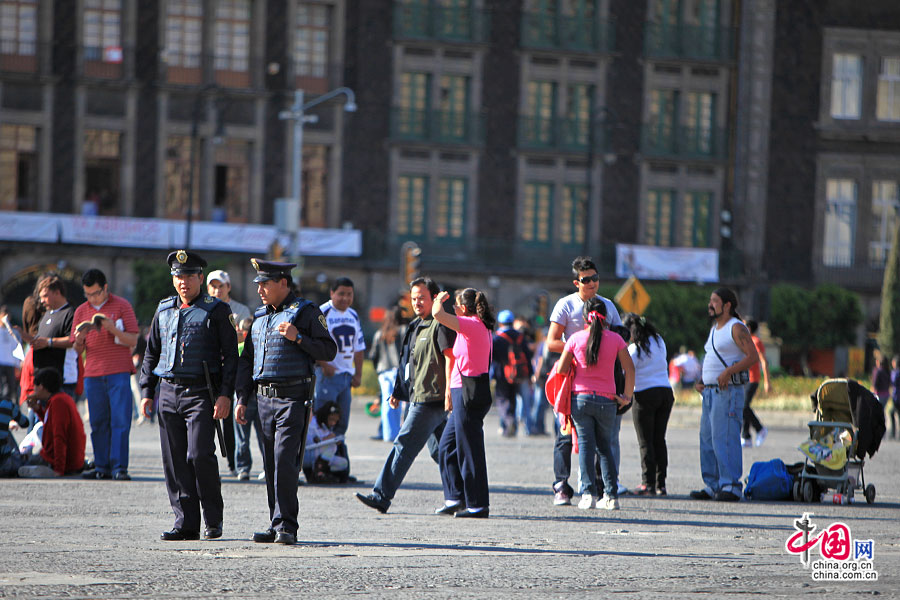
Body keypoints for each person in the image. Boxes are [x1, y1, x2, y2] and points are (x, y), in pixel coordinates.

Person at [235, 259, 337, 546]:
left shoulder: (305, 312)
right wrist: (242, 397)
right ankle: (275, 521)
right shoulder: (259, 316)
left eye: (265, 284)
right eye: (258, 284)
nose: (260, 290)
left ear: (283, 283)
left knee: (284, 461)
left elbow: (328, 350)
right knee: (270, 463)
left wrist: (299, 338)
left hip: (293, 398)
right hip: (263, 399)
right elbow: (247, 361)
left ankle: (287, 526)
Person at [139, 250, 238, 541]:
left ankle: (212, 519)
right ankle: (185, 522)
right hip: (168, 391)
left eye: (188, 276)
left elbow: (231, 357)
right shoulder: (164, 309)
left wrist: (225, 396)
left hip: (200, 393)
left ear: (199, 278)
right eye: (178, 277)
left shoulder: (216, 310)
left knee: (199, 455)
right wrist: (147, 391)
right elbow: (151, 353)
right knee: (174, 461)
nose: (183, 282)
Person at [356, 277, 455, 514]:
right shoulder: (414, 326)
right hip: (416, 395)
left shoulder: (439, 324)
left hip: (432, 398)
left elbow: (450, 357)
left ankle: (381, 495)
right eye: (414, 298)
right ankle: (462, 494)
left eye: (422, 297)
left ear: (434, 298)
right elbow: (408, 364)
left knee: (404, 444)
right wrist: (399, 391)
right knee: (440, 451)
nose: (417, 302)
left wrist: (450, 391)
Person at [546, 256, 623, 506]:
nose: (592, 284)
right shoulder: (565, 305)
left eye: (595, 278)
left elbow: (619, 338)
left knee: (603, 438)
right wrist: (578, 350)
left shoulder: (608, 306)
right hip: (572, 376)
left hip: (601, 379)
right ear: (576, 282)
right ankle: (562, 484)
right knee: (566, 434)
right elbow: (551, 341)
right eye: (586, 280)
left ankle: (602, 487)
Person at [557, 298, 633, 510]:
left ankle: (588, 495)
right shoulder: (616, 340)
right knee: (605, 449)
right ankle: (610, 496)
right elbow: (630, 369)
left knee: (586, 447)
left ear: (584, 317)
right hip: (607, 400)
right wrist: (626, 396)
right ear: (607, 318)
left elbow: (562, 369)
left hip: (580, 399)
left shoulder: (575, 339)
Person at [690, 287, 759, 502]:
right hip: (710, 393)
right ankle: (713, 485)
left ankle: (731, 485)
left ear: (727, 305)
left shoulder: (736, 328)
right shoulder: (714, 329)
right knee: (708, 439)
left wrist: (729, 371)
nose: (710, 305)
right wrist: (703, 380)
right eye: (710, 301)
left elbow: (753, 356)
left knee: (725, 438)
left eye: (715, 301)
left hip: (727, 393)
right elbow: (713, 356)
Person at [431, 287, 495, 518]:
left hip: (468, 392)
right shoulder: (474, 326)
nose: (454, 310)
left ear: (465, 308)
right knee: (447, 447)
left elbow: (437, 313)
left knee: (470, 450)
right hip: (462, 390)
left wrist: (438, 299)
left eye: (456, 305)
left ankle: (477, 504)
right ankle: (455, 498)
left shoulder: (471, 324)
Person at [72, 268, 140, 481]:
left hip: (118, 370)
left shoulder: (122, 305)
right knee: (98, 421)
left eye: (96, 293)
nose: (92, 298)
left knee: (120, 420)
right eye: (88, 294)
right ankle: (101, 465)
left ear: (105, 288)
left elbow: (133, 341)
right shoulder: (81, 311)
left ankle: (119, 467)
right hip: (93, 372)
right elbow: (77, 350)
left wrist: (113, 329)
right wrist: (80, 338)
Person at [623, 313, 674, 496]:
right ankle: (661, 484)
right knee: (659, 439)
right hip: (666, 392)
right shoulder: (659, 341)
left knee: (645, 442)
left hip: (644, 394)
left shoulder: (634, 349)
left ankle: (647, 483)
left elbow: (625, 371)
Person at [315, 277, 366, 445]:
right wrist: (324, 364)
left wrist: (358, 373)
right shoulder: (322, 312)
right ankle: (320, 463)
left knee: (342, 422)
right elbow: (312, 343)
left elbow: (358, 347)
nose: (345, 298)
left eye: (349, 294)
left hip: (346, 376)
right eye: (341, 294)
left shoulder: (353, 314)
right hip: (327, 376)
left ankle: (337, 461)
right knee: (323, 421)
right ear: (332, 293)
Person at [17, 367, 86, 478]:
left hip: (58, 462)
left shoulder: (58, 402)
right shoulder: (61, 399)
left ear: (42, 386)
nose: (33, 390)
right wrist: (38, 409)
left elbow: (59, 436)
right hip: (69, 462)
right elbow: (50, 423)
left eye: (35, 386)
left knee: (16, 466)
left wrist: (58, 470)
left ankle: (46, 470)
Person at [32, 275, 76, 396]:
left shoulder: (70, 313)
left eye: (45, 296)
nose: (42, 301)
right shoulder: (46, 314)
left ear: (57, 293)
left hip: (61, 382)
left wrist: (49, 342)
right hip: (42, 381)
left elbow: (73, 340)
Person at [369, 305, 407, 442]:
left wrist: (378, 370)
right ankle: (394, 433)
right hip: (398, 370)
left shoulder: (380, 333)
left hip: (383, 371)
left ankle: (386, 433)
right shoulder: (403, 330)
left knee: (387, 402)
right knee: (398, 403)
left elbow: (373, 355)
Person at [233, 317, 264, 481]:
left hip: (253, 397)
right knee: (246, 437)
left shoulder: (254, 348)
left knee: (256, 437)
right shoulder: (240, 348)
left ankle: (246, 468)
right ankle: (245, 467)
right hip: (247, 395)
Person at [492, 310, 523, 437]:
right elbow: (526, 353)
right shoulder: (520, 336)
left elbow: (492, 357)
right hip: (517, 373)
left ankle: (509, 422)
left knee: (502, 399)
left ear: (500, 323)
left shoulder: (497, 337)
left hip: (501, 372)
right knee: (513, 398)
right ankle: (511, 423)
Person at [741, 319, 771, 448]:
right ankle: (746, 437)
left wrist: (767, 381)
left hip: (753, 379)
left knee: (743, 405)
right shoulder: (744, 342)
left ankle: (760, 429)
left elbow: (763, 361)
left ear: (748, 327)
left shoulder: (756, 341)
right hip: (744, 379)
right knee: (744, 406)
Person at [303, 401, 349, 483]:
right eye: (331, 419)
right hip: (306, 456)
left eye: (335, 421)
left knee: (343, 463)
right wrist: (325, 440)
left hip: (319, 456)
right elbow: (308, 444)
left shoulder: (325, 426)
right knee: (332, 446)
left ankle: (324, 473)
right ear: (325, 415)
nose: (333, 423)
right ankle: (319, 473)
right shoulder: (313, 422)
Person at [0, 306, 23, 404]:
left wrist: (18, 363)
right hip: (0, 362)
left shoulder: (13, 332)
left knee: (11, 388)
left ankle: (7, 406)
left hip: (10, 363)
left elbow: (17, 347)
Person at [890, 356, 900, 440]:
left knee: (891, 412)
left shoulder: (895, 373)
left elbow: (892, 382)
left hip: (897, 397)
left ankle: (893, 433)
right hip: (897, 396)